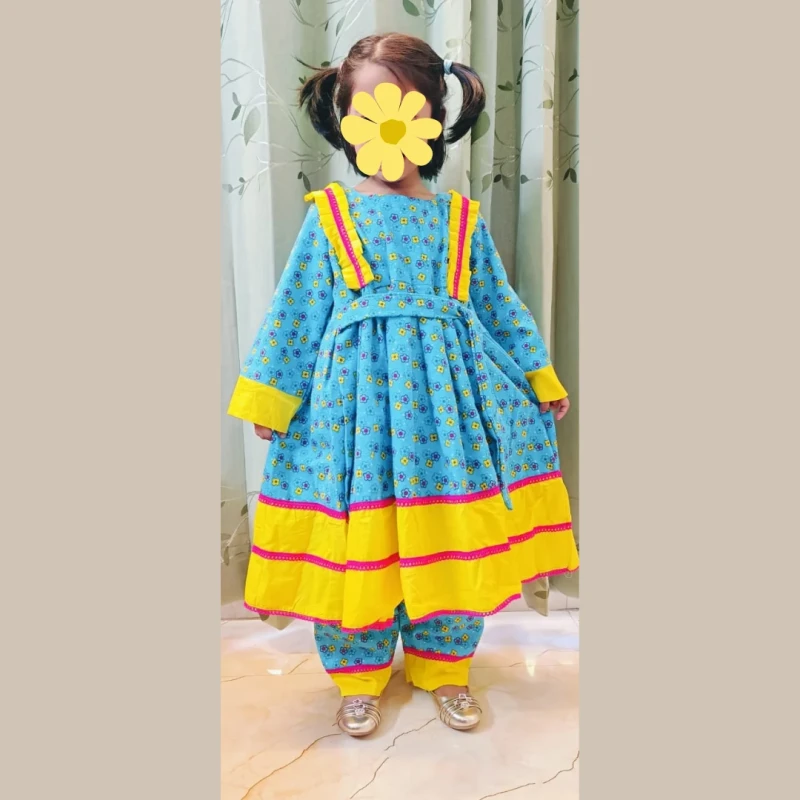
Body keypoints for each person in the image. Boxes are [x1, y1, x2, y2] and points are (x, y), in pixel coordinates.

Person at [227, 33, 579, 737]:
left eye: (405, 109)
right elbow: (297, 310)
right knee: (358, 539)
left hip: (445, 421)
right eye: (372, 111)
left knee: (448, 530)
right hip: (352, 419)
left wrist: (538, 377)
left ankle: (444, 666)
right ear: (348, 121)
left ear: (432, 118)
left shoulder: (460, 221)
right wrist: (274, 396)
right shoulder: (331, 216)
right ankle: (357, 674)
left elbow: (498, 306)